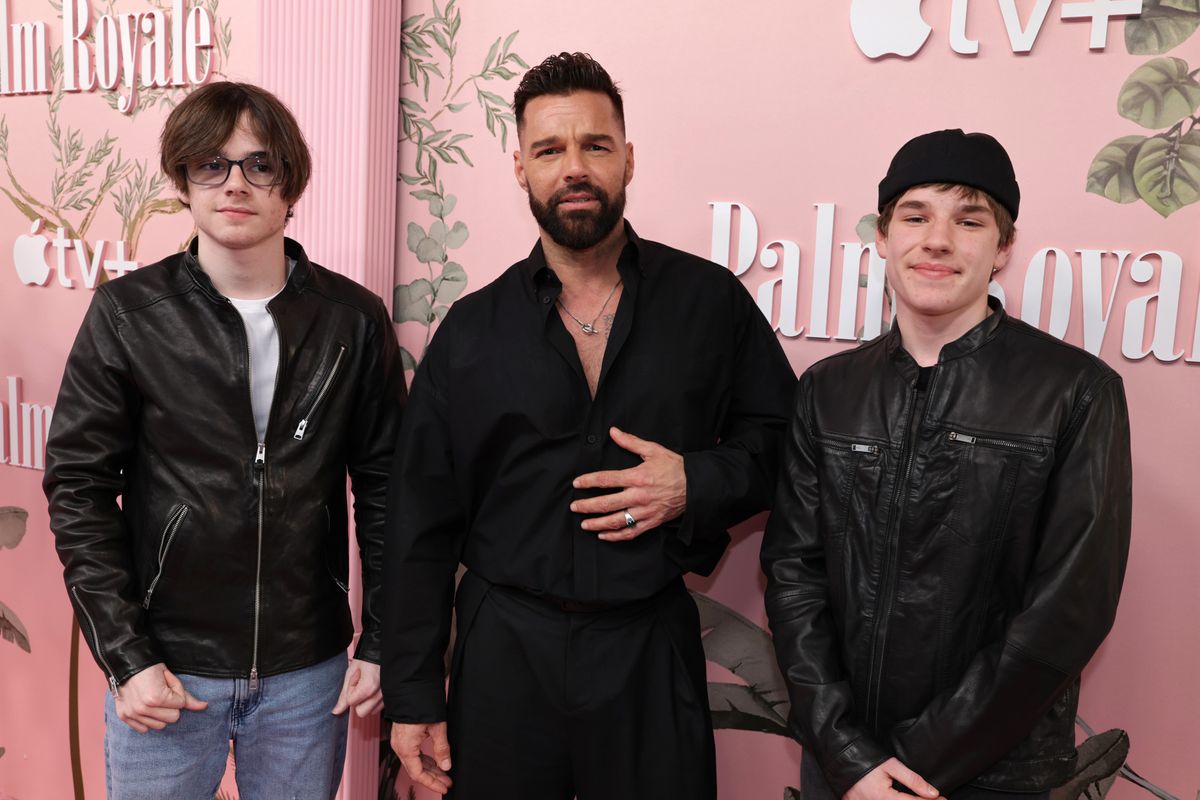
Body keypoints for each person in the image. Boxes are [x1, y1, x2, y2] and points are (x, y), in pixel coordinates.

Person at [381, 52, 796, 799]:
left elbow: (784, 445)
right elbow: (419, 524)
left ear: (627, 158)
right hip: (503, 651)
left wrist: (694, 482)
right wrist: (412, 696)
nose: (575, 167)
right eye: (550, 150)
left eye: (595, 146)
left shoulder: (709, 304)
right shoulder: (472, 331)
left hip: (648, 647)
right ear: (520, 168)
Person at [43, 81, 406, 800]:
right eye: (212, 163)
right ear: (183, 179)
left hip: (308, 675)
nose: (235, 183)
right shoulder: (128, 315)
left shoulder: (353, 321)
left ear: (289, 182)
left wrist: (386, 640)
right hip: (168, 675)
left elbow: (390, 492)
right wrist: (125, 656)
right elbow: (78, 488)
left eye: (258, 164)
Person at [761, 129, 1132, 800]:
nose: (937, 239)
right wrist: (849, 754)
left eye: (969, 219)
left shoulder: (1076, 392)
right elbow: (793, 576)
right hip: (844, 770)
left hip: (995, 775)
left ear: (1004, 247)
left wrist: (912, 770)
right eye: (916, 215)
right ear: (882, 235)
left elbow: (1067, 613)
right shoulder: (827, 390)